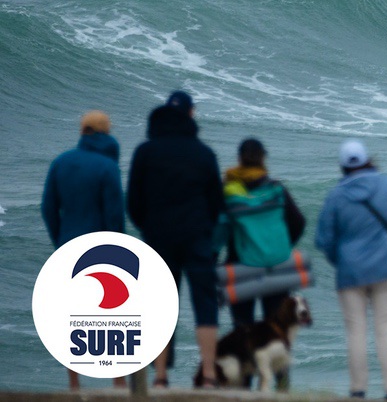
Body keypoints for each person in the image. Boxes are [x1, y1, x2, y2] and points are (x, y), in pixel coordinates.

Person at [126, 90, 224, 388]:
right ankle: (208, 375)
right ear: (191, 115)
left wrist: (149, 227)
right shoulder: (204, 153)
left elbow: (133, 201)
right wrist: (204, 231)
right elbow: (217, 203)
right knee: (205, 303)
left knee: (161, 304)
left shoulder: (145, 151)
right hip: (196, 237)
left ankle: (160, 376)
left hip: (158, 236)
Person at [316, 139, 387, 401]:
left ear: (342, 166)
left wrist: (340, 260)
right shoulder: (383, 183)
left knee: (355, 332)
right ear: (367, 160)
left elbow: (323, 240)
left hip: (351, 272)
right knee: (386, 330)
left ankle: (357, 391)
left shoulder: (336, 195)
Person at [42, 110, 127, 391]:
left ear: (82, 131)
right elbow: (115, 215)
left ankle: (74, 384)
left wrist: (61, 240)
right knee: (113, 317)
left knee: (73, 316)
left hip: (68, 246)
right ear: (106, 133)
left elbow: (48, 209)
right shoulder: (107, 167)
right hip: (103, 251)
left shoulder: (60, 162)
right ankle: (118, 382)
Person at [220, 137, 307, 327]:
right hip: (276, 265)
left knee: (243, 329)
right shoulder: (276, 189)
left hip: (241, 265)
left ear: (239, 158)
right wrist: (281, 246)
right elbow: (299, 222)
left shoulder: (230, 191)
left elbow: (220, 228)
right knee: (275, 330)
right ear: (263, 158)